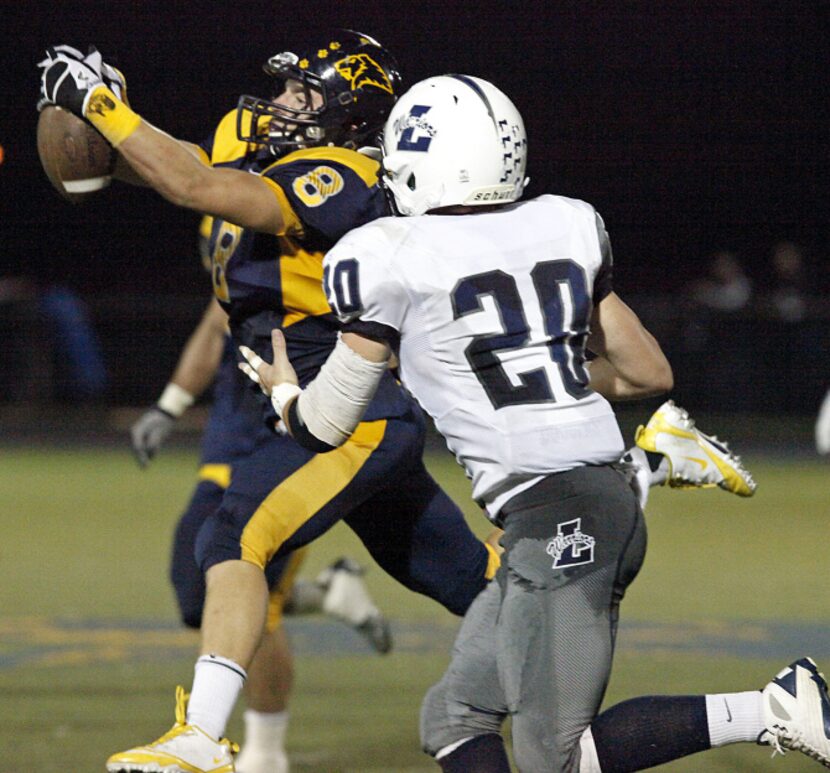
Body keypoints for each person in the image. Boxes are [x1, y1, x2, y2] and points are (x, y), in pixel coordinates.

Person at [39, 44, 757, 773]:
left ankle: (202, 733)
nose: (282, 104)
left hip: (351, 412)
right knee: (478, 594)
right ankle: (646, 467)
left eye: (303, 95)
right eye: (284, 90)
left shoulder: (348, 179)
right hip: (357, 416)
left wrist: (100, 105)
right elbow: (180, 167)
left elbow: (196, 186)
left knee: (232, 536)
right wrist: (104, 139)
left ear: (354, 117)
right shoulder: (261, 149)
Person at [239, 75, 828, 772]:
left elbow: (327, 423)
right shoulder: (563, 224)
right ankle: (657, 468)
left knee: (558, 757)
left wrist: (283, 394)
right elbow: (646, 372)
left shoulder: (389, 253)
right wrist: (529, 369)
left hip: (561, 516)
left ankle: (776, 707)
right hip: (569, 505)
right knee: (453, 718)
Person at [129, 217, 393, 772]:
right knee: (195, 589)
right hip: (227, 450)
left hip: (290, 454)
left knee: (258, 600)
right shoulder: (247, 248)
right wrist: (169, 405)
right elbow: (212, 325)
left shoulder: (340, 259)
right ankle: (330, 595)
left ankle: (265, 752)